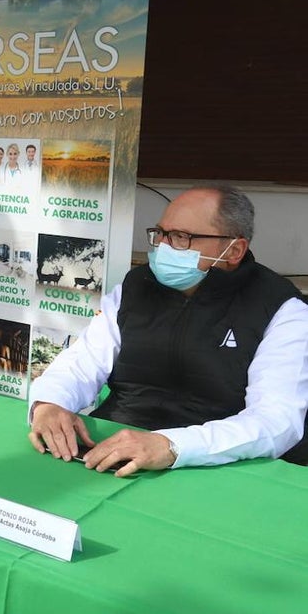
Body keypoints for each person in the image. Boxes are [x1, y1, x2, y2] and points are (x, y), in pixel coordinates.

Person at [28, 185, 308, 476]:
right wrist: (50, 402)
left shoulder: (281, 308)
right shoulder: (137, 286)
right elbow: (82, 362)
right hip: (117, 443)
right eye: (160, 233)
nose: (162, 246)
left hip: (214, 462)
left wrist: (172, 445)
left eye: (181, 237)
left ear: (234, 250)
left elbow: (277, 422)